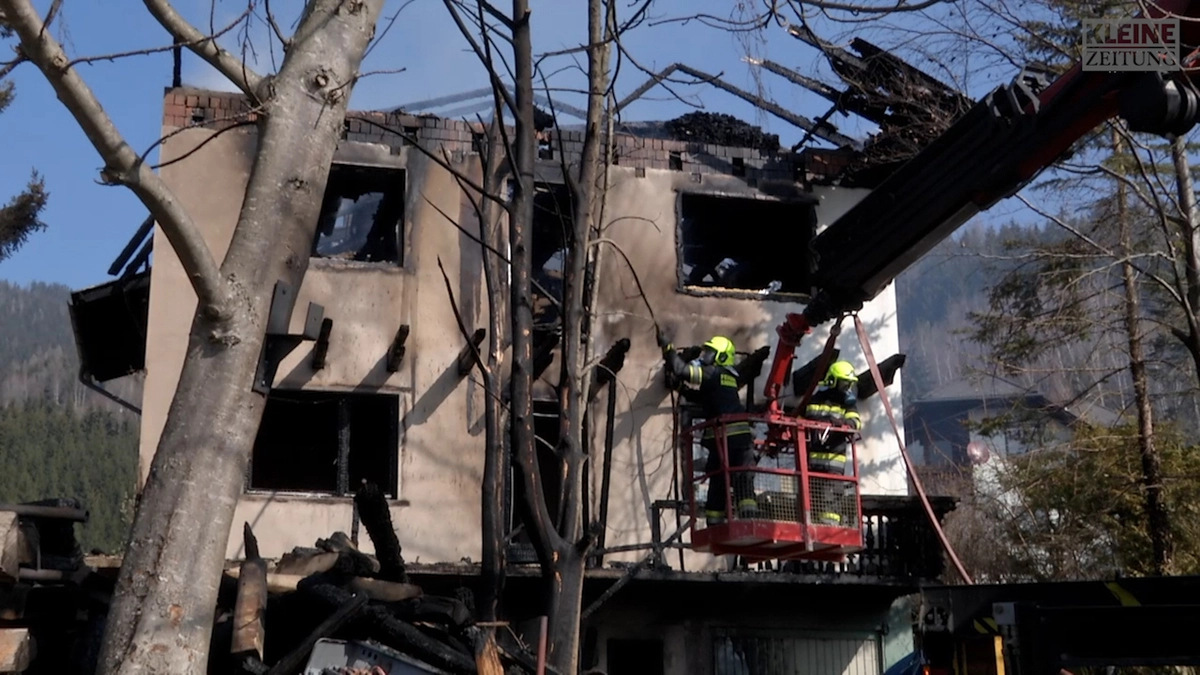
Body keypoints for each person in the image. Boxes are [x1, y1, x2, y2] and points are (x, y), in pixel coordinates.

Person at [659, 331, 758, 524]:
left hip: (729, 439)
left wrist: (667, 347)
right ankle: (734, 520)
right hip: (733, 441)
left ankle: (737, 521)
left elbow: (681, 370)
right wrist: (680, 388)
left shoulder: (714, 372)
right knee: (727, 477)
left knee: (723, 478)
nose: (705, 357)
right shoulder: (726, 378)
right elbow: (704, 399)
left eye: (710, 353)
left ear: (721, 357)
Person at [802, 360, 862, 526]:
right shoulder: (815, 399)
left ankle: (831, 526)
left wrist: (841, 423)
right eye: (844, 383)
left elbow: (855, 423)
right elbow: (807, 418)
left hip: (834, 461)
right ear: (832, 381)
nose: (847, 387)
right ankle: (817, 524)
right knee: (813, 497)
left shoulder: (847, 404)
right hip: (813, 461)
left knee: (832, 498)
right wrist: (826, 420)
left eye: (849, 384)